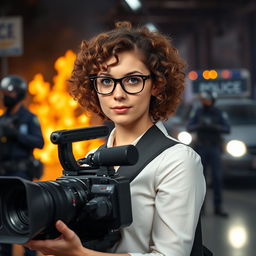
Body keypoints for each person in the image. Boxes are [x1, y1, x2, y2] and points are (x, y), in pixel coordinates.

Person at [24, 21, 206, 256]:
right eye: (106, 81)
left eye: (132, 80)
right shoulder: (91, 160)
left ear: (157, 85)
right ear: (94, 88)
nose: (118, 94)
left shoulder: (177, 161)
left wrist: (78, 254)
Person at [0, 74, 44, 256]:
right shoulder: (2, 119)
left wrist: (17, 134)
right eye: (4, 93)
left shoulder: (29, 118)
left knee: (25, 220)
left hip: (22, 176)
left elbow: (39, 142)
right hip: (3, 175)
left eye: (9, 93)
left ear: (19, 94)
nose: (5, 97)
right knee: (3, 220)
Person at [186, 91, 231, 217]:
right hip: (201, 148)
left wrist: (215, 126)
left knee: (217, 178)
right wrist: (199, 125)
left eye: (207, 100)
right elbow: (189, 127)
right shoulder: (198, 112)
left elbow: (227, 128)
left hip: (214, 148)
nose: (204, 102)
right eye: (203, 100)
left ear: (212, 100)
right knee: (201, 179)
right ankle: (201, 209)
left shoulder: (219, 113)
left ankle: (218, 207)